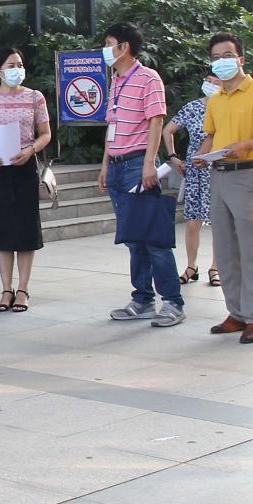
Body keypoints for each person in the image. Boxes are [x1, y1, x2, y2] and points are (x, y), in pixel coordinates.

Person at [193, 32, 253, 343]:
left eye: (227, 56)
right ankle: (236, 313)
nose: (221, 62)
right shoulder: (216, 99)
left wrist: (245, 145)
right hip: (218, 174)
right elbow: (211, 135)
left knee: (249, 247)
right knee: (225, 247)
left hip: (247, 173)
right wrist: (202, 155)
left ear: (241, 58)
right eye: (216, 58)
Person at [102, 23, 185, 328]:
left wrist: (150, 163)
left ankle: (173, 302)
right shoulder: (115, 81)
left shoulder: (148, 78)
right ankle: (143, 299)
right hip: (117, 166)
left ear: (124, 47)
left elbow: (156, 121)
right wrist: (105, 164)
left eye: (109, 43)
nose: (105, 49)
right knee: (133, 239)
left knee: (153, 239)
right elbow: (111, 127)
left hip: (138, 165)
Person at [0, 47, 51, 312]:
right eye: (11, 65)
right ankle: (6, 289)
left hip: (25, 168)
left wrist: (31, 150)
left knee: (25, 231)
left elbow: (45, 134)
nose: (17, 69)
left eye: (19, 64)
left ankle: (23, 289)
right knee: (2, 232)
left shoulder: (35, 97)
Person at [165, 75, 221, 288]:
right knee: (192, 221)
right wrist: (173, 157)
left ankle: (216, 267)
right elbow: (168, 130)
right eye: (209, 80)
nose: (212, 85)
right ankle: (191, 266)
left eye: (217, 82)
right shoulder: (192, 108)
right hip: (195, 171)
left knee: (218, 221)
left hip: (218, 169)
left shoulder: (225, 106)